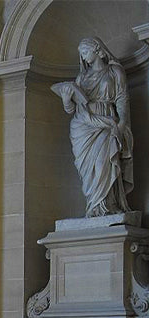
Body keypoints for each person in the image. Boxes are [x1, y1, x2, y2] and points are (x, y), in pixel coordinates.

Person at [52, 37, 133, 218]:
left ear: (98, 50)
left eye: (86, 52)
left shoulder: (115, 72)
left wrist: (122, 123)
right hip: (84, 125)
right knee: (89, 170)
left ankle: (109, 205)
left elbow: (122, 98)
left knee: (104, 163)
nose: (84, 57)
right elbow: (73, 108)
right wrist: (66, 101)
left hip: (106, 122)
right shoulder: (82, 77)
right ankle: (94, 205)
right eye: (81, 54)